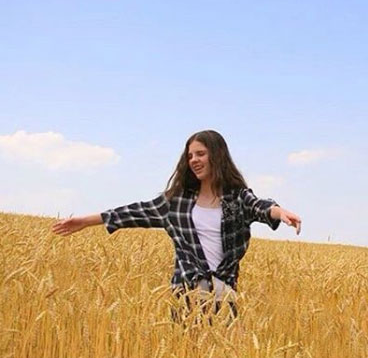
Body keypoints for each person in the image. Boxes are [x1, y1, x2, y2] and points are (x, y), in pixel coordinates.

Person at [51, 130, 302, 326]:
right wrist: (85, 221)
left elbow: (259, 206)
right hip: (187, 293)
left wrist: (280, 212)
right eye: (190, 155)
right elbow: (134, 212)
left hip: (225, 294)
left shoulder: (236, 198)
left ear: (217, 155)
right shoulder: (176, 202)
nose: (194, 160)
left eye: (200, 154)